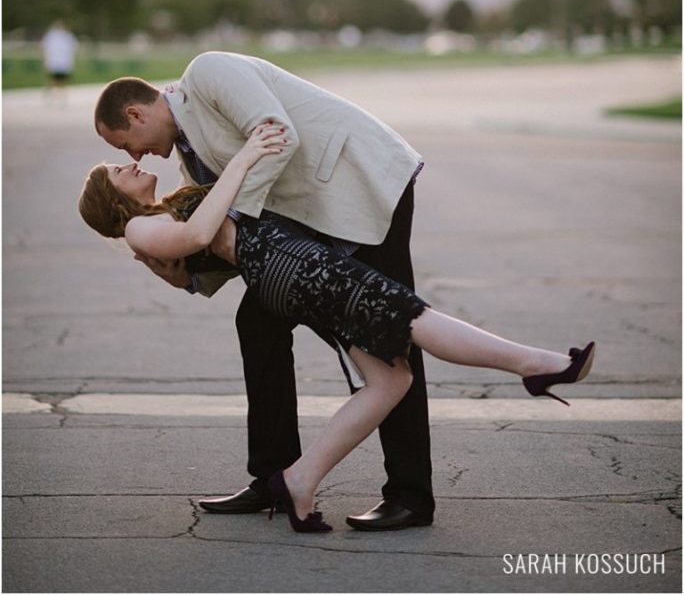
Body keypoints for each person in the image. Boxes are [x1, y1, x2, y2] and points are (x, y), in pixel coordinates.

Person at [78, 124, 596, 534]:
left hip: (288, 270)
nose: (131, 163)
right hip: (295, 268)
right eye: (116, 170)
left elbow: (200, 243)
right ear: (113, 201)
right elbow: (199, 232)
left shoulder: (156, 217)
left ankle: (298, 481)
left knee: (393, 380)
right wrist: (245, 156)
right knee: (413, 317)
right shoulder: (138, 227)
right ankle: (541, 364)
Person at [93, 51, 434, 530]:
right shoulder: (191, 159)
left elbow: (278, 135)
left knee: (391, 338)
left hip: (363, 188)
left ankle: (411, 495)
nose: (134, 156)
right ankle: (272, 478)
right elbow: (230, 233)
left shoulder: (208, 72)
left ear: (135, 113)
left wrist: (227, 224)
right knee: (256, 322)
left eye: (126, 143)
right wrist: (190, 278)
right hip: (311, 223)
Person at [41, 21, 78, 95]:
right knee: (54, 78)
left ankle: (59, 93)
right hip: (56, 61)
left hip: (61, 61)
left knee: (61, 79)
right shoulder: (52, 36)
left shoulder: (66, 36)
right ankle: (53, 92)